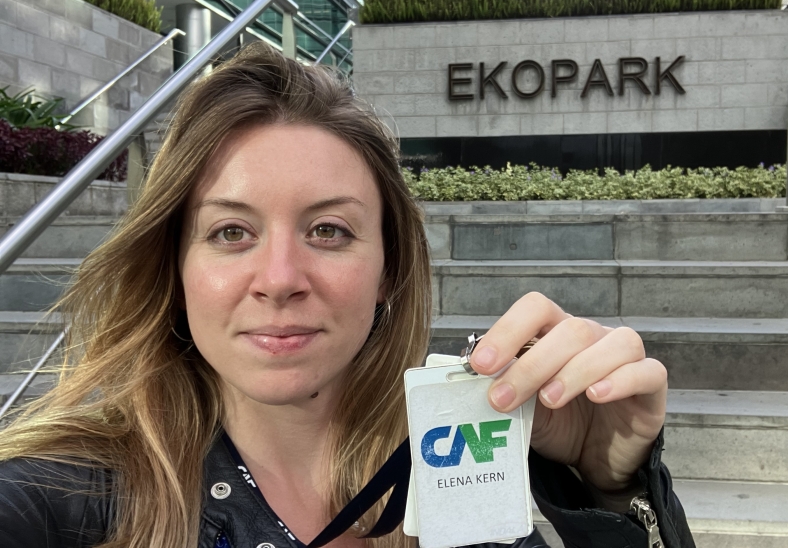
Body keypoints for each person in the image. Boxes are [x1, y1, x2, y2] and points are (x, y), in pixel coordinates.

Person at [0, 43, 693, 548]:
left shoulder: (455, 477)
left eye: (329, 230)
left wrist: (612, 495)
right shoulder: (60, 499)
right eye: (231, 230)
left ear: (389, 266)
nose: (278, 278)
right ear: (174, 265)